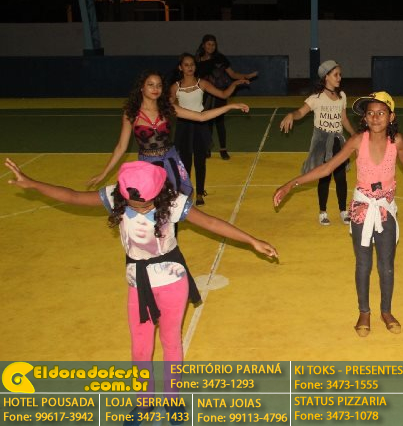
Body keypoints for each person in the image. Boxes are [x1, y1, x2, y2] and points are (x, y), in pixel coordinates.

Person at [5, 158, 278, 425]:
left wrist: (252, 240)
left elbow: (212, 223)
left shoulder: (173, 203)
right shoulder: (116, 196)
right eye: (134, 205)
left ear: (159, 192)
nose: (140, 208)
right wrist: (33, 183)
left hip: (172, 281)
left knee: (171, 341)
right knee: (140, 348)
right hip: (138, 283)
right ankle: (144, 401)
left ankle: (172, 399)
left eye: (146, 204)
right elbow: (73, 196)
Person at [273, 92, 403, 337]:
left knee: (386, 265)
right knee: (363, 264)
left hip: (385, 209)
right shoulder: (357, 141)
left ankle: (386, 311)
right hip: (362, 208)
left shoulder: (397, 142)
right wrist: (291, 184)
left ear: (391, 116)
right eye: (370, 113)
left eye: (381, 113)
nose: (375, 117)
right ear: (364, 118)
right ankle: (364, 312)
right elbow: (327, 167)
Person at [88, 71, 250, 194]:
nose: (155, 89)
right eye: (151, 85)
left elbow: (201, 117)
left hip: (171, 160)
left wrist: (229, 106)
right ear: (142, 87)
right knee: (153, 201)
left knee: (179, 200)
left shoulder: (168, 108)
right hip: (148, 164)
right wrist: (104, 173)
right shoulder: (131, 113)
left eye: (159, 85)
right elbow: (121, 147)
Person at [279, 60, 357, 226]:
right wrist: (291, 115)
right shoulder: (316, 98)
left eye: (340, 74)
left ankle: (343, 210)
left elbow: (343, 119)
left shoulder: (342, 96)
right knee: (324, 177)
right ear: (326, 77)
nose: (339, 78)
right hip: (322, 142)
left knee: (341, 177)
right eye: (336, 75)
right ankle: (323, 211)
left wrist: (354, 134)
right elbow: (300, 112)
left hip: (337, 141)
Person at [169, 53, 249, 206]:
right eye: (186, 65)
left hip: (200, 125)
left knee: (200, 161)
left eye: (192, 64)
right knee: (185, 162)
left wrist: (234, 84)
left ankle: (200, 193)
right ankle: (186, 193)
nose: (190, 67)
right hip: (183, 127)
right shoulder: (175, 87)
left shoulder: (202, 83)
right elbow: (169, 104)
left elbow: (223, 94)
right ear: (180, 68)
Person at [196, 34, 258, 161]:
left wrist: (246, 76)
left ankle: (223, 149)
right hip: (205, 94)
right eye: (208, 44)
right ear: (203, 45)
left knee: (219, 122)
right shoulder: (197, 61)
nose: (211, 47)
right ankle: (207, 148)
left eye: (213, 44)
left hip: (219, 92)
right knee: (207, 121)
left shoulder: (220, 58)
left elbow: (233, 74)